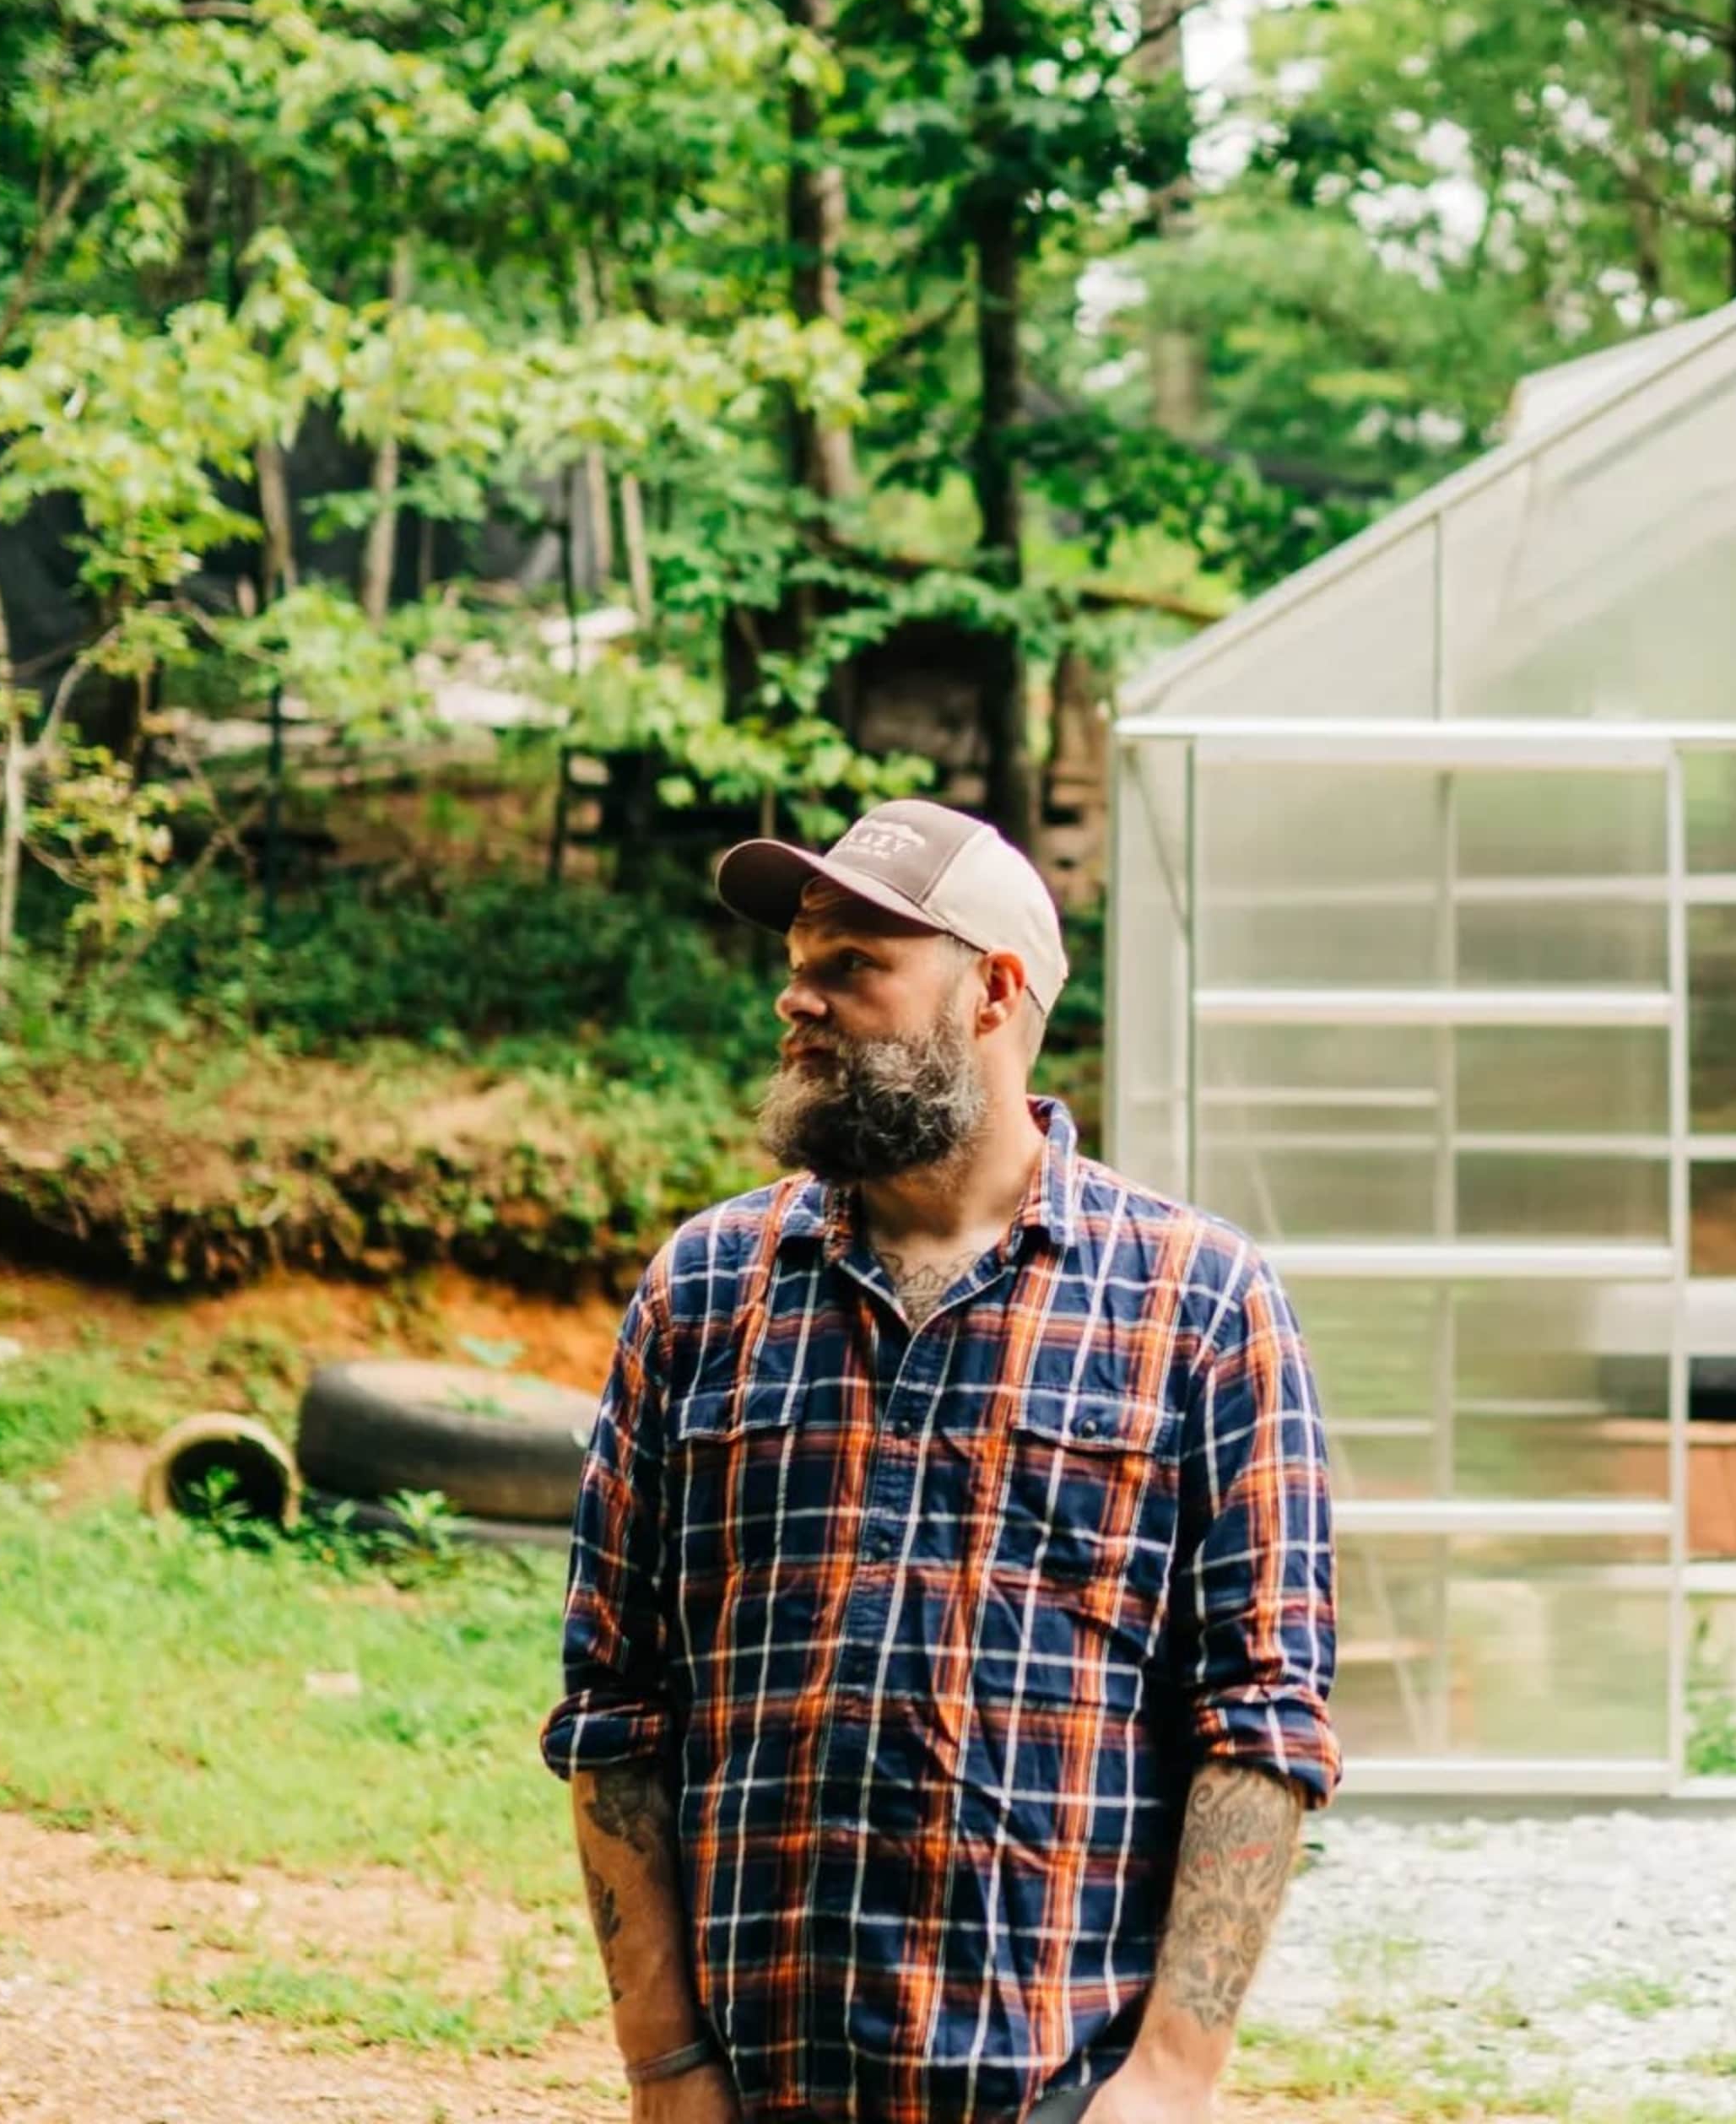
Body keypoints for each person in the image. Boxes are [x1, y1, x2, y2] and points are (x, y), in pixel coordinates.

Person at [542, 798, 1339, 2124]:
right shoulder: (704, 1292)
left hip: (1064, 2093)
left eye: (853, 964)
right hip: (759, 2092)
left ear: (995, 991)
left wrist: (1176, 2076)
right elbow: (616, 1707)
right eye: (798, 964)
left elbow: (1263, 1716)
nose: (799, 1000)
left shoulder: (1200, 1304)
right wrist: (665, 2067)